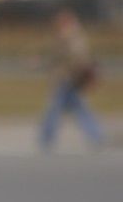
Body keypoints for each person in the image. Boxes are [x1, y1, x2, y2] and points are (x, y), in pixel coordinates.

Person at [38, 8, 102, 151]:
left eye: (60, 22)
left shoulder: (71, 37)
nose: (57, 25)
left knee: (55, 109)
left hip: (67, 79)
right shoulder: (68, 36)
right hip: (68, 79)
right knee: (79, 109)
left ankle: (46, 138)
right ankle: (96, 136)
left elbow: (76, 57)